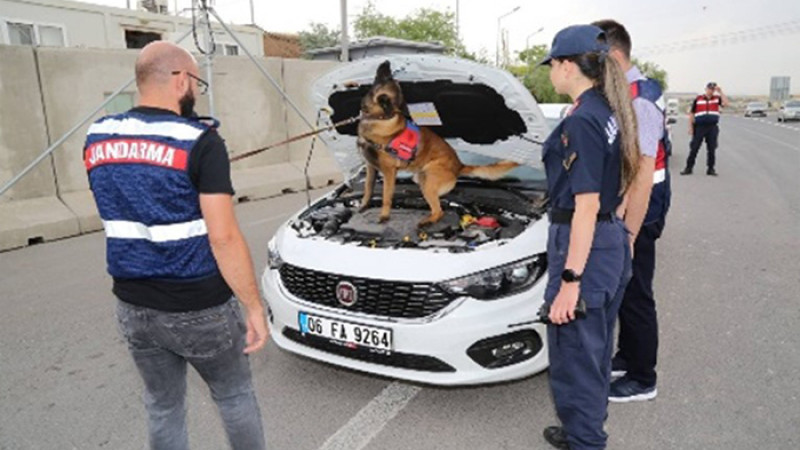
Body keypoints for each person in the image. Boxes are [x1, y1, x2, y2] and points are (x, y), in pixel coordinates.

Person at [83, 41, 268, 450]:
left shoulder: (98, 135)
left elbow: (132, 187)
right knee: (234, 396)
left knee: (163, 406)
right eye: (197, 81)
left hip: (133, 306)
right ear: (181, 79)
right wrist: (253, 306)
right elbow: (223, 237)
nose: (198, 91)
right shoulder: (200, 141)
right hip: (198, 305)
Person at [537, 25, 637, 449]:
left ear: (566, 65)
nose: (550, 74)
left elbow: (585, 205)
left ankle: (586, 441)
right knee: (595, 352)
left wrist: (570, 281)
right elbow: (626, 176)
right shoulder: (609, 110)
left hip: (585, 245)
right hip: (609, 240)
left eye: (552, 65)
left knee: (575, 356)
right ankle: (583, 430)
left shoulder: (581, 121)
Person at [592, 19, 672, 403]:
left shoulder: (639, 99)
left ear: (615, 56)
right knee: (626, 289)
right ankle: (628, 356)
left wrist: (629, 230)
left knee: (636, 290)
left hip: (646, 203)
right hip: (639, 198)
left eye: (596, 59)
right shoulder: (631, 91)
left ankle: (643, 377)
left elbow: (641, 175)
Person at [681, 81, 729, 176]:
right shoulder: (698, 99)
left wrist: (721, 92)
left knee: (711, 149)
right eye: (709, 89)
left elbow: (726, 104)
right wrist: (690, 127)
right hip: (700, 127)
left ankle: (711, 169)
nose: (711, 91)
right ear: (706, 89)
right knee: (694, 148)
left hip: (712, 127)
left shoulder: (717, 99)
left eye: (713, 89)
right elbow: (692, 114)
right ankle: (688, 168)